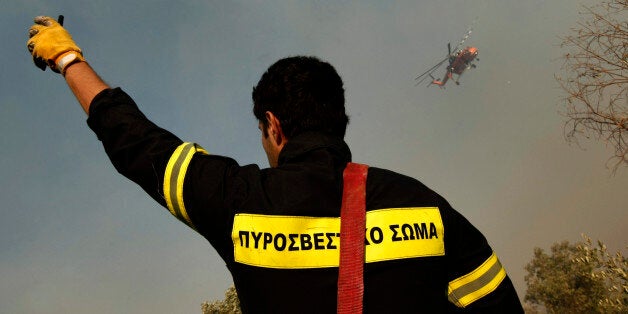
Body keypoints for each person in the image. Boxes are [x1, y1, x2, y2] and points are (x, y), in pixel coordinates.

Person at [27, 16, 523, 313]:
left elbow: (136, 141)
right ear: (339, 123)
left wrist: (68, 57)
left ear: (273, 126)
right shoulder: (427, 206)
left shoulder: (240, 202)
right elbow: (499, 307)